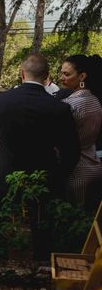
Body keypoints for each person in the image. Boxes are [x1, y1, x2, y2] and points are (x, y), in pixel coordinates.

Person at [0, 54, 80, 258]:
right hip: (45, 173)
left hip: (6, 170)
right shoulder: (59, 108)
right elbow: (72, 150)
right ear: (47, 76)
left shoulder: (0, 102)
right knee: (43, 224)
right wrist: (59, 176)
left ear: (22, 74)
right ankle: (43, 260)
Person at [59, 55, 102, 210]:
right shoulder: (95, 101)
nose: (61, 78)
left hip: (76, 172)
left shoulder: (68, 105)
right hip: (94, 165)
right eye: (61, 73)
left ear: (82, 76)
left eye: (67, 74)